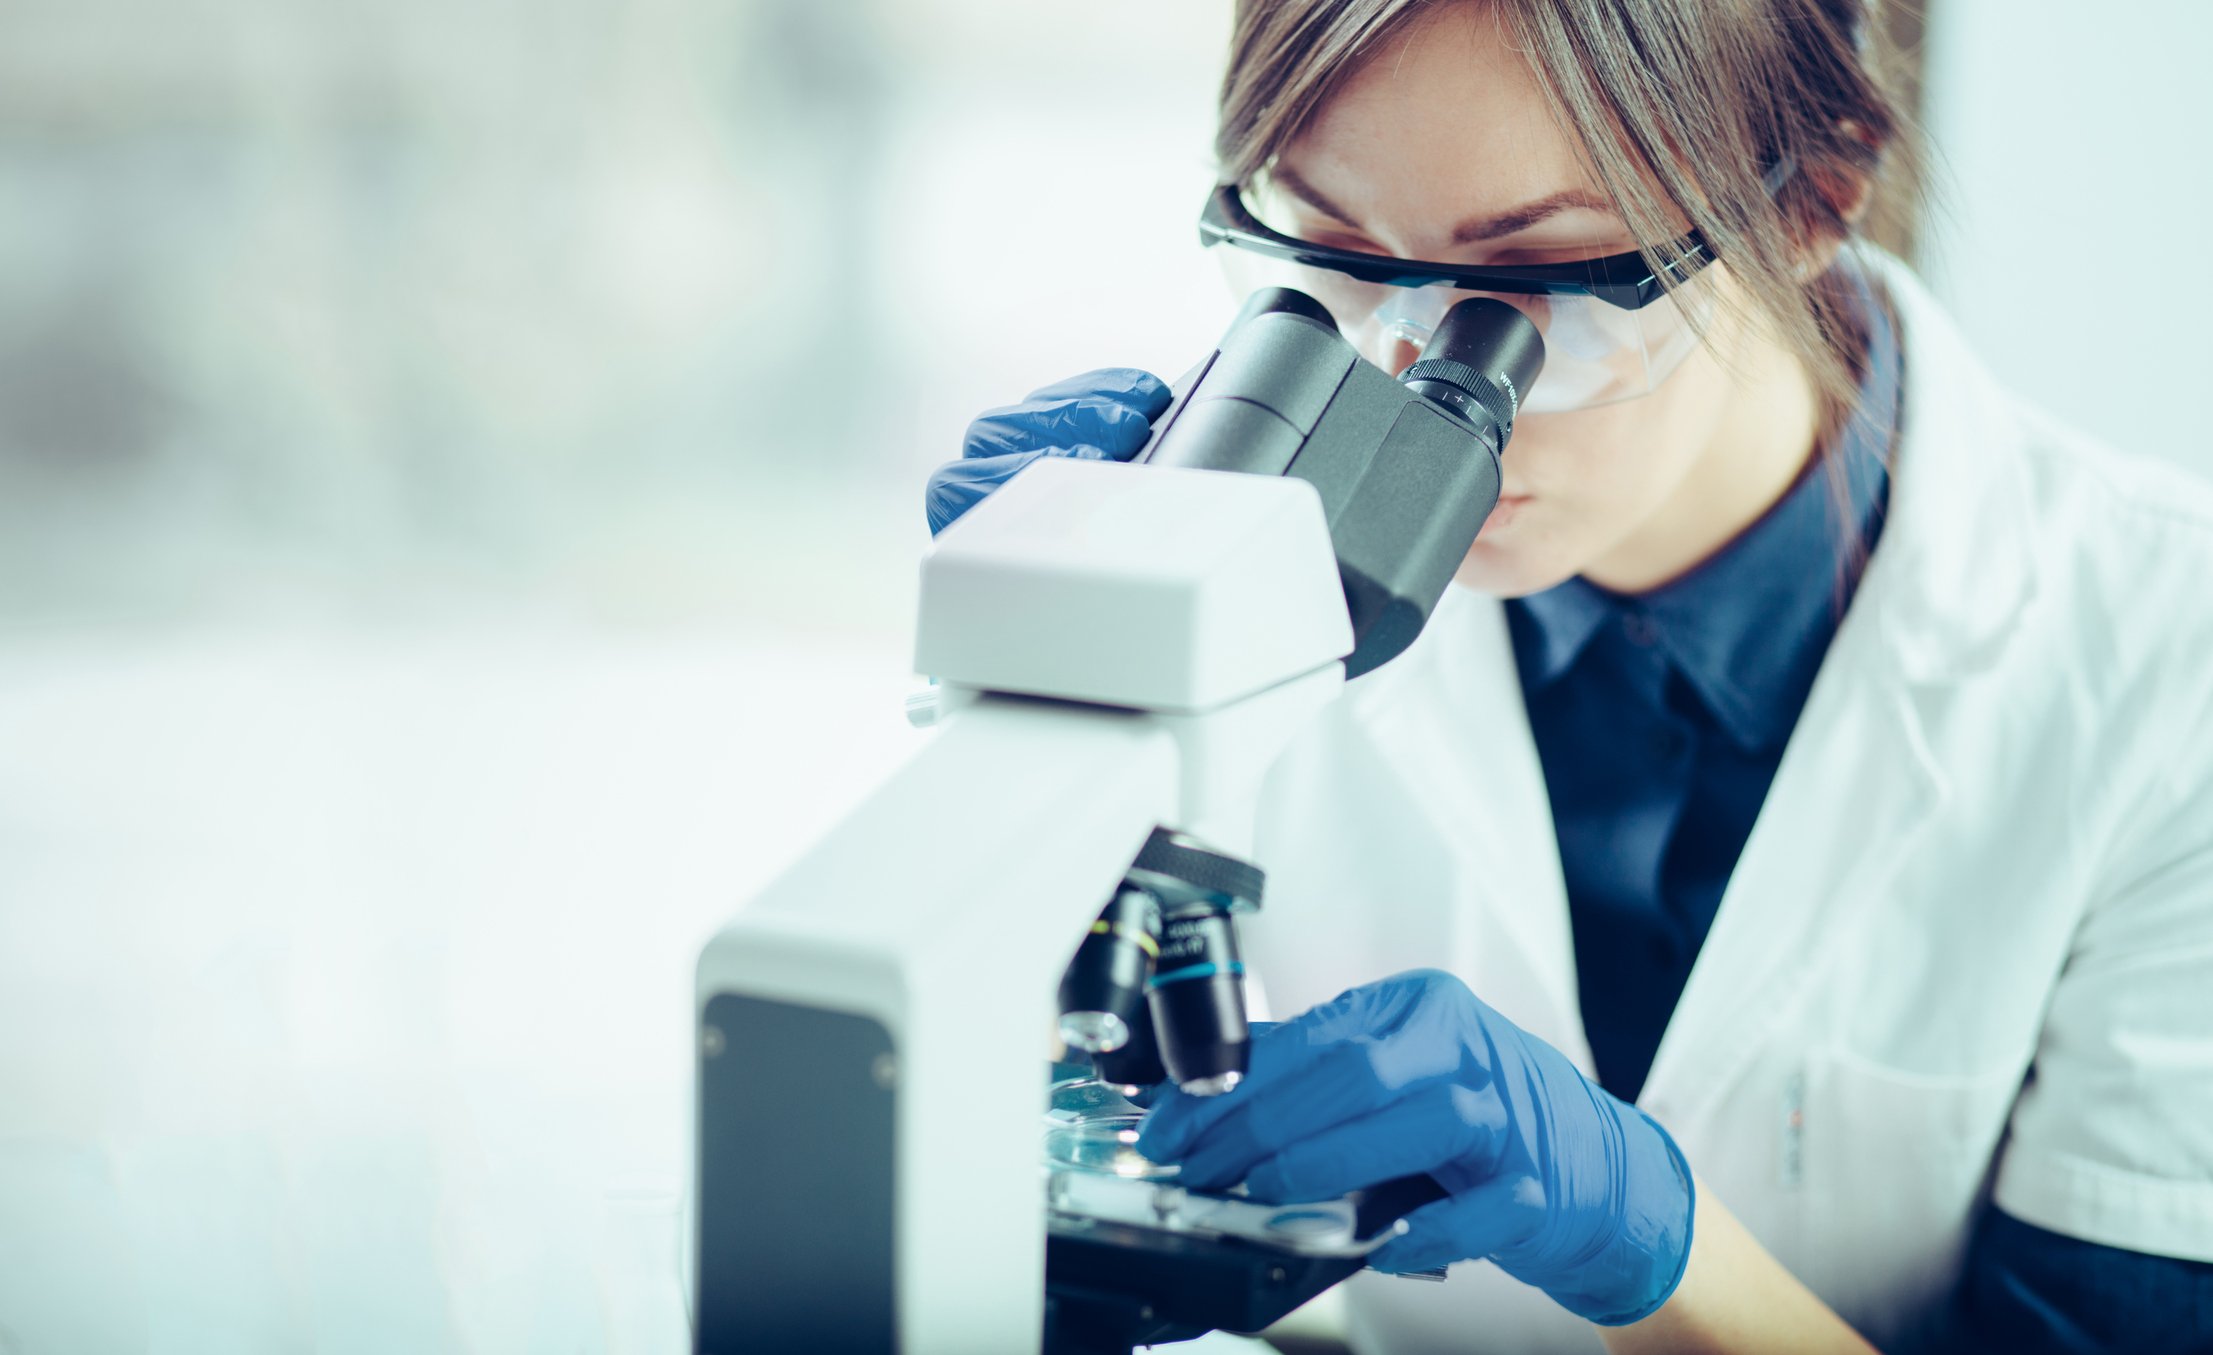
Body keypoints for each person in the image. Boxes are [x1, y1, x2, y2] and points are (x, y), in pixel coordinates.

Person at [926, 1, 2213, 1350]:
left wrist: (1657, 1243)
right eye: (1335, 250)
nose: (1414, 370)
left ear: (1813, 200)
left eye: (1539, 277)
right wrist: (1030, 692)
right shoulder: (1229, 548)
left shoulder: (2164, 661)